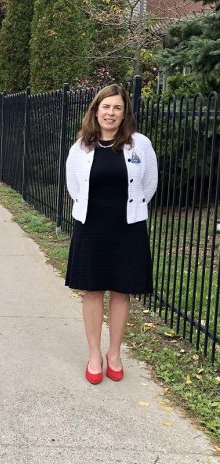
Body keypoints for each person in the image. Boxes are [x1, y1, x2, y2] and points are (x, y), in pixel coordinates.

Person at [65, 84, 158, 385]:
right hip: (91, 227)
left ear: (124, 113)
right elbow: (73, 186)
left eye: (117, 108)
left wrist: (132, 210)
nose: (111, 113)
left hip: (127, 228)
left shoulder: (139, 145)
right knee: (92, 290)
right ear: (96, 110)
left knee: (121, 290)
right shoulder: (81, 147)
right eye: (106, 107)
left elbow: (149, 184)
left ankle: (114, 353)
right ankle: (94, 354)